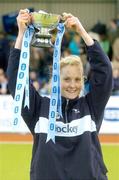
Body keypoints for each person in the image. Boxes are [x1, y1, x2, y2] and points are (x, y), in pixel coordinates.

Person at [7, 9, 112, 180]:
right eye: (67, 79)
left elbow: (105, 72)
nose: (72, 85)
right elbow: (15, 79)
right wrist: (21, 34)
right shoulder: (39, 108)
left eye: (77, 79)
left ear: (83, 80)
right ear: (56, 79)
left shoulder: (91, 106)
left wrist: (81, 31)